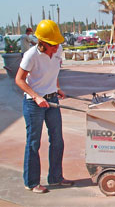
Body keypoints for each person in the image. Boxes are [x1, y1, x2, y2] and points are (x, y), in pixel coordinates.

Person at [15, 20, 74, 194]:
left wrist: (56, 88)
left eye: (58, 44)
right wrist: (36, 96)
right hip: (34, 103)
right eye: (53, 45)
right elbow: (19, 79)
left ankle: (56, 178)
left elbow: (54, 70)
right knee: (33, 143)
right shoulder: (31, 55)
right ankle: (32, 182)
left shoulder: (58, 50)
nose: (57, 48)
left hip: (52, 100)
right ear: (43, 43)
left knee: (57, 140)